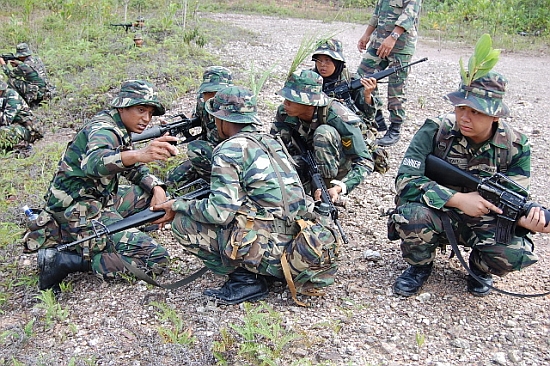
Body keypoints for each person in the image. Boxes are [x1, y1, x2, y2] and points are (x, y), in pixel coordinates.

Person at [389, 71, 550, 298]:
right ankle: (420, 265)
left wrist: (526, 221)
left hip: (483, 219)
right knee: (411, 215)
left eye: (475, 111)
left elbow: (512, 198)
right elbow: (405, 181)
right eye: (460, 108)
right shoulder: (436, 130)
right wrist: (458, 199)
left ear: (495, 115)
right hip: (436, 212)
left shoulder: (515, 145)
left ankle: (479, 268)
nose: (464, 117)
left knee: (515, 252)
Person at [154, 86, 311, 305]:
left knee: (182, 223)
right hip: (300, 245)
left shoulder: (229, 150)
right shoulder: (271, 142)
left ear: (221, 119)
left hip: (274, 251)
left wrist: (178, 205)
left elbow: (219, 213)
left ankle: (247, 278)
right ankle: (262, 269)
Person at [37, 80, 178, 293]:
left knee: (147, 196)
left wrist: (158, 188)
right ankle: (67, 260)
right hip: (76, 212)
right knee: (156, 258)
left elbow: (129, 166)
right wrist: (140, 154)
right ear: (122, 106)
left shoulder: (118, 126)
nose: (146, 119)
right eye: (141, 110)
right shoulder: (104, 129)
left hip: (98, 200)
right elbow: (95, 162)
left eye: (149, 113)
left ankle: (120, 232)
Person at [270, 69, 374, 203]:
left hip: (339, 163)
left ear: (310, 103)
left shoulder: (337, 115)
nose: (285, 103)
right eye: (286, 98)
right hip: (307, 158)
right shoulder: (284, 112)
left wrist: (339, 187)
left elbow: (365, 162)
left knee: (323, 133)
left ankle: (325, 192)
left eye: (292, 100)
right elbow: (274, 146)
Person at [356, 0, 422, 146]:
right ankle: (375, 117)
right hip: (378, 42)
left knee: (396, 88)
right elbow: (377, 13)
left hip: (401, 46)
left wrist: (393, 38)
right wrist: (367, 34)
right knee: (363, 77)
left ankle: (395, 128)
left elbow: (409, 15)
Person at [165, 66, 233, 190]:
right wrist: (174, 128)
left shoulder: (236, 111)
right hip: (208, 153)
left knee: (195, 150)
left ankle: (220, 187)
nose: (212, 98)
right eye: (208, 93)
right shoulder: (203, 104)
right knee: (171, 182)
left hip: (231, 160)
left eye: (217, 93)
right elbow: (195, 119)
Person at [312, 38, 384, 136]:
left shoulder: (352, 80)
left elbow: (369, 116)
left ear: (337, 62)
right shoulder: (310, 78)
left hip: (347, 127)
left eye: (327, 60)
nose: (322, 65)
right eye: (318, 60)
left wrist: (367, 95)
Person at [0, 43, 55, 107]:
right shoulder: (37, 59)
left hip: (37, 92)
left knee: (11, 81)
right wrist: (18, 65)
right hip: (47, 90)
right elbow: (31, 68)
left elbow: (10, 74)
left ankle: (21, 101)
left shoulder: (23, 66)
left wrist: (3, 63)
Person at [0, 80, 42, 156]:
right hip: (12, 127)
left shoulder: (12, 96)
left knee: (2, 132)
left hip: (26, 129)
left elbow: (6, 120)